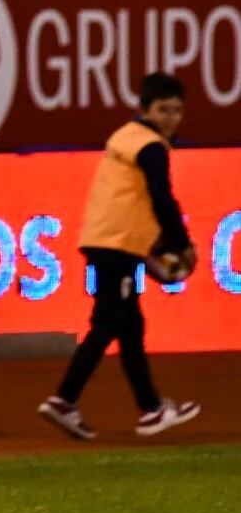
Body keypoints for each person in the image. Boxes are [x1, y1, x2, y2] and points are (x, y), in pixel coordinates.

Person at [39, 72, 201, 438]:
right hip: (118, 246)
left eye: (177, 110)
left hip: (109, 242)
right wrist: (182, 243)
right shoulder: (149, 146)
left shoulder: (127, 138)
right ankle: (65, 399)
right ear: (145, 110)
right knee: (108, 324)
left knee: (130, 328)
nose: (171, 117)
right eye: (164, 109)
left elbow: (132, 201)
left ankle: (151, 409)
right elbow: (162, 199)